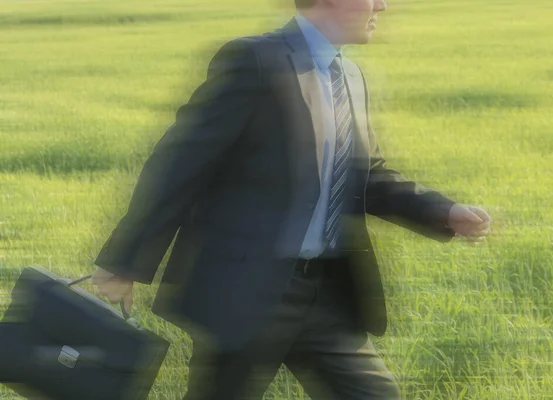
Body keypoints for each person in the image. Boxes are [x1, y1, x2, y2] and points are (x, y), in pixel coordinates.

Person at [91, 0, 492, 398]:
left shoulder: (350, 76)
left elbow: (366, 178)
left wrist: (444, 211)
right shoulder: (256, 60)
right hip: (246, 295)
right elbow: (179, 163)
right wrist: (124, 262)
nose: (383, 6)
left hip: (326, 295)